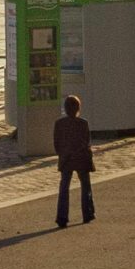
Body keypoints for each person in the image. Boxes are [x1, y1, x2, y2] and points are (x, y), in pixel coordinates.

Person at [52, 95, 95, 226]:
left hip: (66, 158)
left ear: (65, 109)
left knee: (64, 188)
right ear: (78, 108)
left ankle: (62, 217)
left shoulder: (59, 124)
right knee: (85, 186)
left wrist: (62, 153)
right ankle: (87, 213)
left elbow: (56, 143)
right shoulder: (83, 123)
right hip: (81, 158)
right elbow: (86, 141)